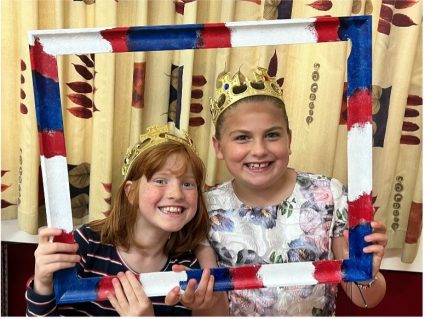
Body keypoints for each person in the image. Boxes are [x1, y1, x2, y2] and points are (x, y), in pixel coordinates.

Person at [196, 67, 388, 316]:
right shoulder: (207, 209)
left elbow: (364, 298)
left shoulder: (329, 194)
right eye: (242, 137)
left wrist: (366, 272)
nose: (259, 150)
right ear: (218, 147)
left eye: (272, 135)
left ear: (289, 139)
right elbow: (212, 310)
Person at [26, 123, 229, 316]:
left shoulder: (188, 269)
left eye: (188, 184)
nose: (176, 193)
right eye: (160, 180)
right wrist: (43, 284)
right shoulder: (85, 246)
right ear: (131, 192)